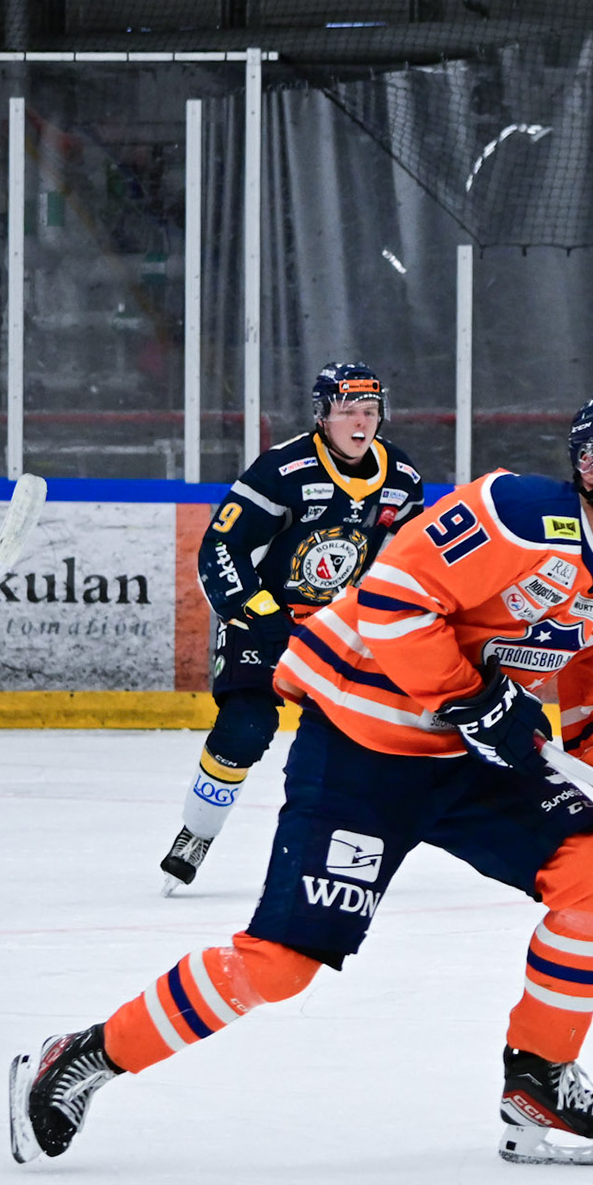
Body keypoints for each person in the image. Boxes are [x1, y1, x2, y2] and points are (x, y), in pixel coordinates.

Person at [12, 390, 593, 1168]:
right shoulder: (515, 513)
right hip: (362, 749)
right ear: (590, 467)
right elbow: (393, 598)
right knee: (280, 965)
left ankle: (540, 1081)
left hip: (469, 760)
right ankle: (83, 1056)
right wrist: (471, 697)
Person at [160, 363, 426, 892]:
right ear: (322, 415)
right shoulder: (283, 470)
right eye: (348, 411)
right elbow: (221, 546)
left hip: (341, 628)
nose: (360, 423)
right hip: (266, 616)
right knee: (246, 728)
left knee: (360, 739)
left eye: (369, 412)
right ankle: (197, 832)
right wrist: (260, 615)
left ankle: (343, 845)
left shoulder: (401, 478)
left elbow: (409, 558)